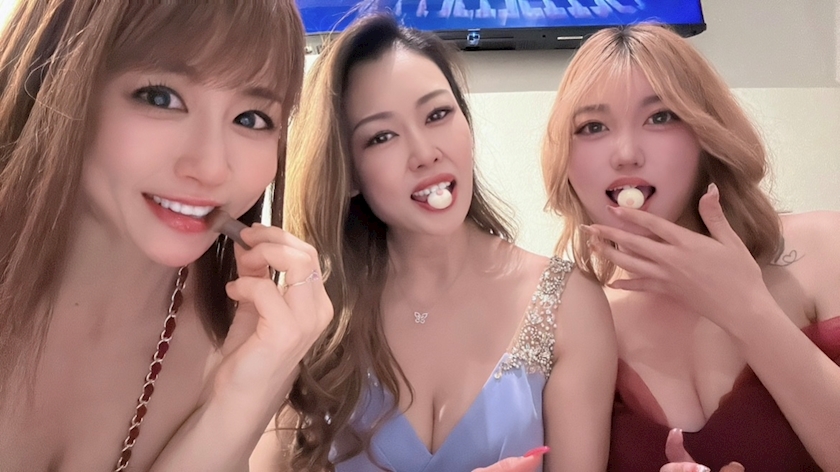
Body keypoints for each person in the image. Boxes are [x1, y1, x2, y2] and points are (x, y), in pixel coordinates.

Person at [250, 14, 617, 472]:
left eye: (438, 114)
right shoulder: (314, 311)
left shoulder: (568, 303)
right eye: (382, 136)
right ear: (349, 172)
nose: (425, 153)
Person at [0, 1, 332, 471]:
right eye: (160, 97)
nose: (211, 168)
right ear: (54, 78)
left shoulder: (241, 338)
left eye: (251, 119)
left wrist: (236, 405)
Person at [541, 24, 840, 472]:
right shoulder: (577, 322)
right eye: (593, 126)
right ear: (565, 162)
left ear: (706, 134)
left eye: (660, 117)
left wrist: (747, 311)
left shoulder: (825, 246)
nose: (625, 153)